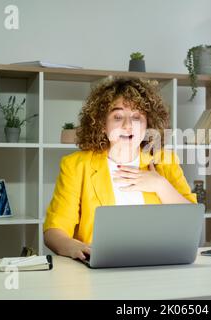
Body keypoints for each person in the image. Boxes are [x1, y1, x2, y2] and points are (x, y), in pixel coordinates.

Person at [44, 78, 197, 261]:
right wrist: (73, 246)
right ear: (101, 124)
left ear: (148, 124)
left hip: (157, 265)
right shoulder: (76, 165)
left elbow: (191, 221)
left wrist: (161, 185)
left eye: (137, 117)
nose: (127, 125)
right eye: (117, 117)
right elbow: (54, 231)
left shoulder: (165, 161)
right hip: (98, 269)